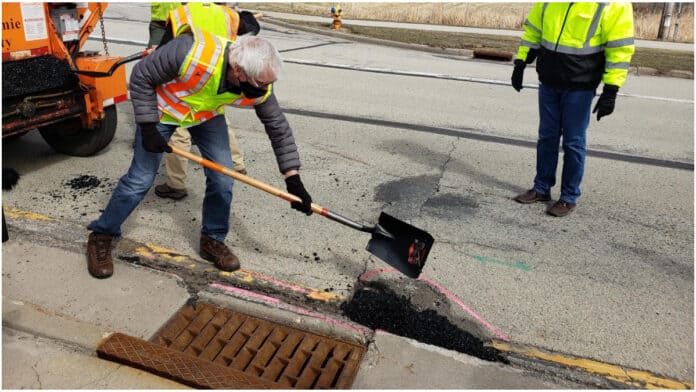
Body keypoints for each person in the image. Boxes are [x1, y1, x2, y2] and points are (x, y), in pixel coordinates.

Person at [85, 31, 313, 279]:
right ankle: (102, 234)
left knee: (223, 177)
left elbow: (278, 128)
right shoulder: (189, 53)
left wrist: (293, 179)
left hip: (204, 115)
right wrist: (148, 126)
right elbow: (140, 76)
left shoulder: (259, 82)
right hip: (162, 111)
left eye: (269, 83)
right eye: (260, 83)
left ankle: (212, 239)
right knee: (140, 179)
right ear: (238, 70)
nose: (265, 90)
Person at [511, 3, 634, 217]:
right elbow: (533, 32)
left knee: (573, 142)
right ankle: (541, 188)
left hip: (581, 84)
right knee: (547, 137)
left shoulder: (613, 4)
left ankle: (569, 197)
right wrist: (521, 62)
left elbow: (619, 49)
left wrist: (611, 90)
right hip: (549, 80)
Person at [153, 2, 260, 200]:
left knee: (178, 129)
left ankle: (176, 184)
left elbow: (165, 48)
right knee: (217, 117)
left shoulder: (183, 12)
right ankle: (236, 164)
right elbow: (253, 28)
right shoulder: (229, 15)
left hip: (187, 76)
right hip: (217, 77)